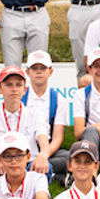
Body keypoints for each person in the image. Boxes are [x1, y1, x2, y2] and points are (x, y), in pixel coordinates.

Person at [0, 66, 51, 183]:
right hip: (3, 162)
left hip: (28, 162)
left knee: (44, 165)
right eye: (9, 85)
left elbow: (45, 145)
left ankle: (37, 194)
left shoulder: (36, 114)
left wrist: (42, 155)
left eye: (18, 85)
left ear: (25, 90)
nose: (14, 89)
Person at [22, 51, 70, 181]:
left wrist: (44, 155)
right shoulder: (20, 97)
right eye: (34, 68)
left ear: (50, 71)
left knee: (72, 157)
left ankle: (32, 169)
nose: (39, 72)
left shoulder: (58, 99)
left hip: (48, 148)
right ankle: (54, 175)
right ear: (27, 72)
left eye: (43, 68)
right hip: (24, 148)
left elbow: (58, 137)